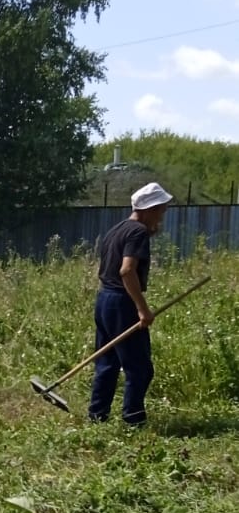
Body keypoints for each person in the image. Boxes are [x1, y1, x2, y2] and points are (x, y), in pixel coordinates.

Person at [88, 181, 173, 426]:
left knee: (107, 363)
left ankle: (97, 416)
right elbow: (126, 271)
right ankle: (133, 420)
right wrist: (142, 308)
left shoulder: (116, 230)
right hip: (122, 303)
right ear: (149, 209)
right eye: (160, 210)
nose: (161, 216)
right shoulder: (138, 232)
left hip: (104, 300)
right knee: (139, 368)